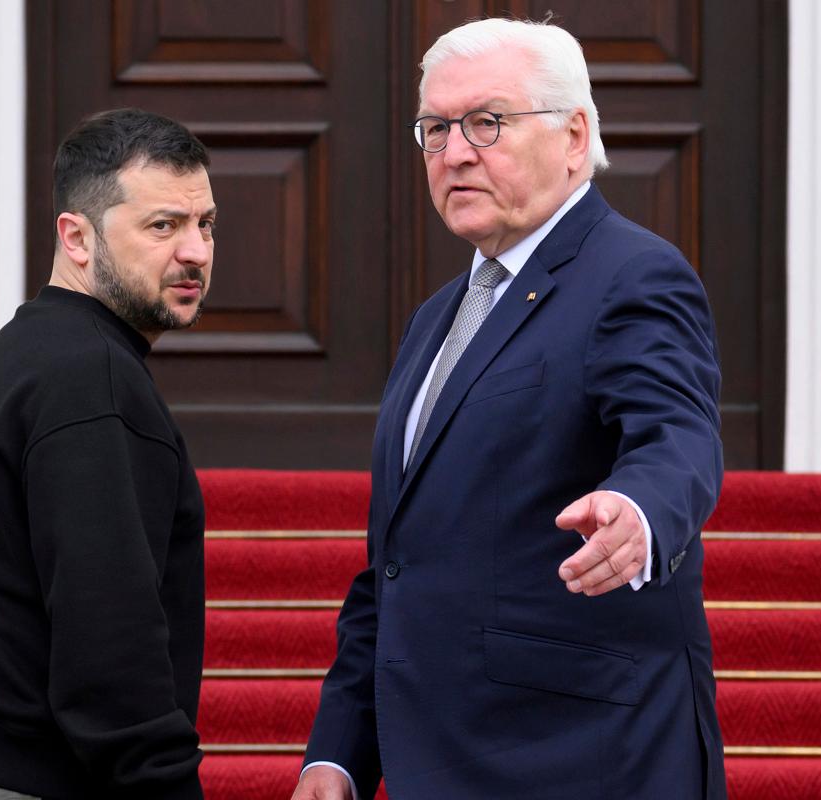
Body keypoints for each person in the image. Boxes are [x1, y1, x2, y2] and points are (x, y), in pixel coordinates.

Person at [293, 18, 726, 800]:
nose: (455, 152)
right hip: (443, 758)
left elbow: (677, 436)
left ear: (573, 135)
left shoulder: (634, 275)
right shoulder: (437, 319)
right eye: (435, 128)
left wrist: (638, 508)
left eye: (487, 122)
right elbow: (396, 564)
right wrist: (339, 754)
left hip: (581, 759)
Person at [0, 108, 216, 799]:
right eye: (163, 225)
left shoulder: (22, 360)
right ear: (76, 237)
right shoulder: (91, 379)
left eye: (206, 225)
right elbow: (108, 634)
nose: (196, 251)